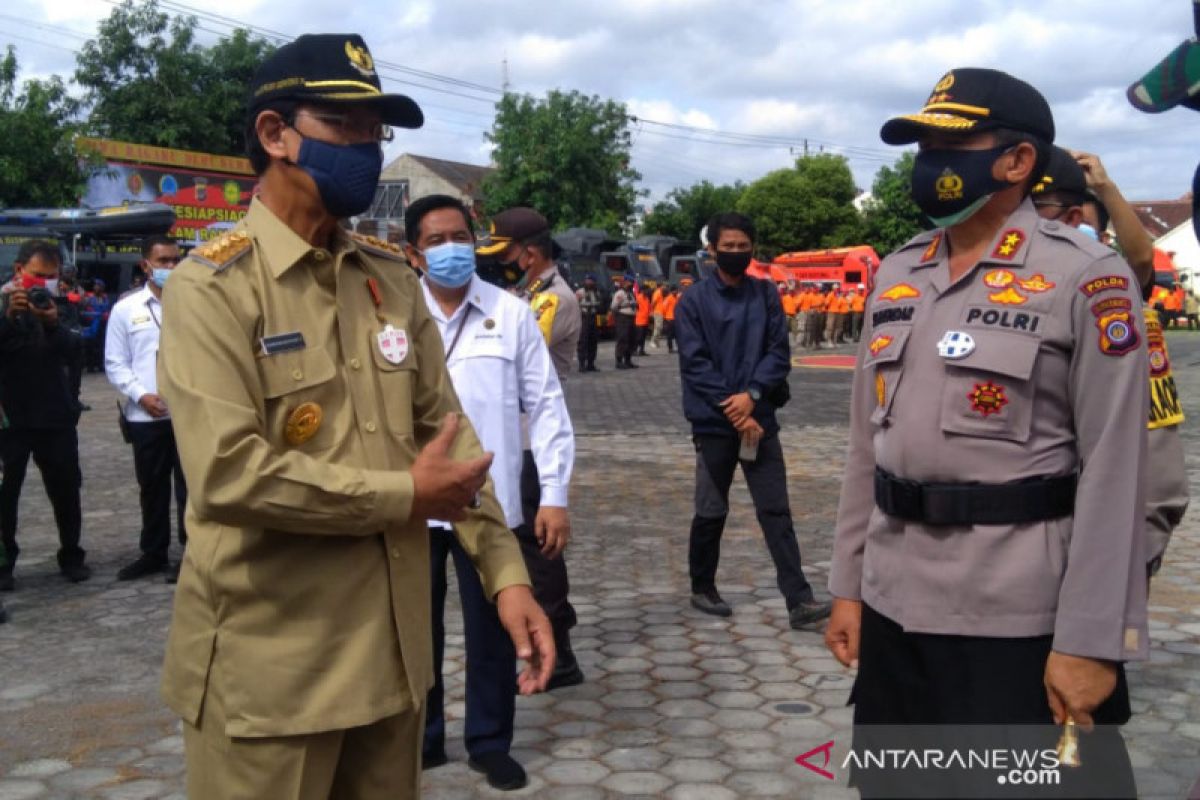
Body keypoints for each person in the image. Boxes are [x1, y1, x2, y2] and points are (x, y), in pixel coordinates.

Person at [154, 34, 553, 800]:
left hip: (394, 664)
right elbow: (227, 475)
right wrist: (407, 497)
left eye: (378, 131)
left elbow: (452, 440)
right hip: (273, 678)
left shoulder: (386, 279)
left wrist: (506, 576)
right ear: (276, 134)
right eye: (346, 127)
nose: (368, 150)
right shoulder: (211, 290)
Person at [825, 68, 1147, 797]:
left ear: (1018, 161)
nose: (932, 160)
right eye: (925, 144)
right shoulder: (898, 272)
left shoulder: (1084, 277)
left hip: (1015, 619)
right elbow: (863, 449)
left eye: (952, 141)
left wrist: (1092, 641)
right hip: (894, 606)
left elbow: (1117, 471)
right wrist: (848, 586)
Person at [406, 195, 575, 791]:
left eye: (460, 236)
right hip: (413, 503)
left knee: (494, 626)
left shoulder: (510, 313)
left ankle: (488, 741)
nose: (450, 249)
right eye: (435, 241)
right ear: (412, 252)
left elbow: (547, 407)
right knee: (412, 627)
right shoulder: (394, 320)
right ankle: (421, 740)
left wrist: (552, 493)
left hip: (489, 505)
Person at [1037, 146, 1190, 583]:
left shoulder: (1113, 280)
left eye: (1085, 221)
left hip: (1147, 441)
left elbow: (1142, 258)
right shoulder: (1050, 282)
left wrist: (1105, 186)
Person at [675, 211, 831, 629]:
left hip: (759, 420)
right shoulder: (693, 300)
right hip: (714, 423)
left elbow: (778, 352)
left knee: (775, 510)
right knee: (711, 508)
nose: (736, 253)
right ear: (711, 250)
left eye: (744, 247)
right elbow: (695, 363)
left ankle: (799, 600)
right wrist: (735, 408)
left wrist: (753, 397)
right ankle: (702, 586)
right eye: (728, 247)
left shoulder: (765, 294)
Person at [477, 207, 585, 690]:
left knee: (540, 549)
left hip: (532, 443)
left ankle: (560, 654)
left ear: (531, 254)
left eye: (509, 255)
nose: (503, 263)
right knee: (522, 547)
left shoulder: (552, 301)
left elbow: (520, 356)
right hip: (511, 438)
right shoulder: (525, 295)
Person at [0, 240, 90, 590]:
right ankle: (5, 563)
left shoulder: (60, 303)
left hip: (55, 416)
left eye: (52, 277)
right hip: (10, 419)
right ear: (20, 270)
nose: (45, 284)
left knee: (67, 489)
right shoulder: (4, 301)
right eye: (39, 276)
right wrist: (9, 320)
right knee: (7, 496)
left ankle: (71, 555)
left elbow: (75, 348)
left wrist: (52, 323)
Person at [105, 234, 188, 583]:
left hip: (187, 414)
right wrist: (141, 395)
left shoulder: (192, 304)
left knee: (190, 489)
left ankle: (191, 554)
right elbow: (115, 361)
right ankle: (153, 552)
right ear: (146, 265)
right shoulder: (127, 309)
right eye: (164, 261)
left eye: (174, 260)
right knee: (151, 486)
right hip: (146, 415)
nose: (170, 267)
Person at [476, 207, 580, 377]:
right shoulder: (523, 291)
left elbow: (510, 350)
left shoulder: (553, 298)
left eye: (503, 256)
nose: (497, 264)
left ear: (531, 255)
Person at [610, 272, 638, 369]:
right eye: (629, 282)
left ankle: (628, 360)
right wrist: (619, 314)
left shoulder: (631, 293)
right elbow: (613, 306)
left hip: (631, 318)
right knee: (622, 339)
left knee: (631, 339)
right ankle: (619, 361)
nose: (630, 285)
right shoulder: (620, 293)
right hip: (623, 318)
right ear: (625, 282)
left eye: (632, 283)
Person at [575, 272, 602, 371]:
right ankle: (581, 364)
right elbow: (574, 305)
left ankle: (591, 363)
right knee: (583, 341)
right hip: (584, 318)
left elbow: (599, 304)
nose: (589, 282)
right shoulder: (580, 292)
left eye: (591, 281)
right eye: (587, 281)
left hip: (593, 318)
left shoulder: (597, 293)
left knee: (593, 341)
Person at [634, 281, 651, 356]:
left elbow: (649, 308)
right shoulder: (638, 298)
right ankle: (634, 350)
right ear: (643, 290)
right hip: (639, 321)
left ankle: (641, 350)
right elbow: (635, 308)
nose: (648, 292)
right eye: (647, 290)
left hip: (645, 320)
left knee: (643, 337)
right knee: (638, 337)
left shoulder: (647, 299)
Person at [662, 283, 680, 354]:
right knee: (669, 335)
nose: (676, 292)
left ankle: (678, 348)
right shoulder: (668, 298)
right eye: (675, 291)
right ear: (672, 291)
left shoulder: (677, 298)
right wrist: (665, 318)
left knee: (677, 335)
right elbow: (663, 308)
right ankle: (670, 349)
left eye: (677, 290)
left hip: (676, 319)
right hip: (669, 319)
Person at [650, 281, 666, 348]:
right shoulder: (657, 292)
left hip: (660, 312)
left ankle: (656, 342)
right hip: (658, 312)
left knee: (659, 327)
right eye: (664, 286)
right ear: (661, 286)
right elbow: (653, 302)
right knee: (658, 327)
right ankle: (653, 341)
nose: (665, 287)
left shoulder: (660, 292)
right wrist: (651, 311)